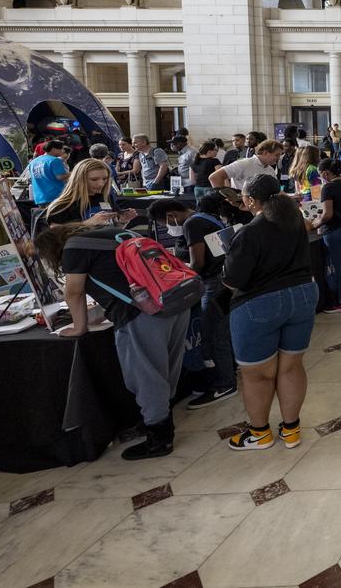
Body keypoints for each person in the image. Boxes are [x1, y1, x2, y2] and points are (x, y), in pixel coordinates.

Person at [38, 222, 192, 460]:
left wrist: (79, 327)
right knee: (166, 370)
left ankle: (159, 438)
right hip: (174, 300)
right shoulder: (113, 234)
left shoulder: (73, 249)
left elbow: (73, 291)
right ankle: (156, 420)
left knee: (145, 376)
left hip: (142, 313)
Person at [221, 174, 317, 450]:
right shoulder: (295, 219)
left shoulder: (249, 232)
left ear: (250, 200)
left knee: (257, 374)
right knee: (291, 366)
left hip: (260, 303)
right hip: (303, 295)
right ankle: (291, 430)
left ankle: (260, 433)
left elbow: (233, 280)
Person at [148, 193, 239, 408]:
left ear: (171, 215)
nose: (168, 227)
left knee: (213, 335)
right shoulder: (207, 217)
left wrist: (176, 277)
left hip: (213, 285)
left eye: (165, 223)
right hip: (225, 281)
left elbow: (197, 261)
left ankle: (224, 383)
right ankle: (229, 371)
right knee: (222, 332)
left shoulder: (192, 224)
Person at [311, 158, 341, 313]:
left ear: (325, 173)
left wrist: (315, 223)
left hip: (334, 231)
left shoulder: (328, 188)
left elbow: (327, 214)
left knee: (339, 265)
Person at [210, 138, 281, 191]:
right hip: (241, 208)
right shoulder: (244, 163)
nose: (278, 158)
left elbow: (275, 190)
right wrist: (225, 198)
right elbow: (215, 177)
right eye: (277, 155)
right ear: (265, 152)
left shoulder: (270, 169)